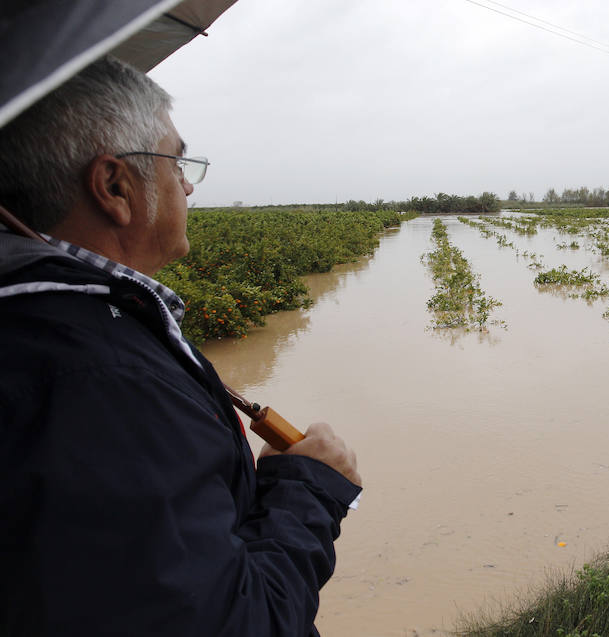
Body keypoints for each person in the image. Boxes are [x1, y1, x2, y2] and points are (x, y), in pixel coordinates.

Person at [0, 56, 361, 636]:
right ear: (115, 186)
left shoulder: (53, 325)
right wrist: (307, 492)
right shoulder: (98, 383)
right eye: (176, 161)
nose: (188, 184)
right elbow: (238, 623)